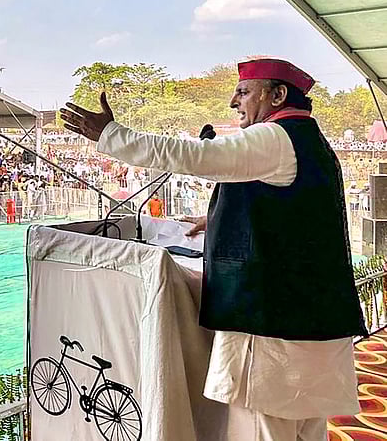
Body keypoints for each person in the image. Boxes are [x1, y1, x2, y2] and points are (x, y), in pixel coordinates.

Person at [61, 58, 366, 440]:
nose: (233, 102)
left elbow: (193, 156)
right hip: (311, 332)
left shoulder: (274, 137)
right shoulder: (307, 140)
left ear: (278, 95)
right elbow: (296, 215)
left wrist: (111, 135)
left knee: (263, 432)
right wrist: (220, 218)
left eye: (243, 92)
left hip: (275, 339)